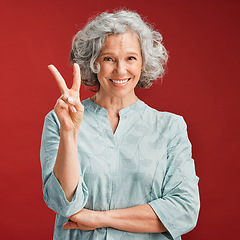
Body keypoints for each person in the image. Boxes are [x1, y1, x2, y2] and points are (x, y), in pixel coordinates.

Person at [40, 10, 200, 240]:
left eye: (130, 58)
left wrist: (100, 219)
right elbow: (63, 204)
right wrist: (69, 133)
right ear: (93, 62)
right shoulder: (59, 119)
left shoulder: (170, 128)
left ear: (143, 62)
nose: (120, 70)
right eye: (109, 58)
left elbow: (184, 212)